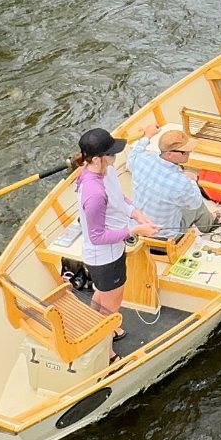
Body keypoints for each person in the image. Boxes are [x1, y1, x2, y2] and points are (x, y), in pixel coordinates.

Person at [70, 126, 157, 333]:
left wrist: (135, 213)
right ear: (97, 158)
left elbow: (118, 198)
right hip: (105, 259)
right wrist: (136, 231)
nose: (115, 157)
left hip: (111, 252)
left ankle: (93, 326)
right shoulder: (94, 193)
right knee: (111, 308)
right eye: (111, 154)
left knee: (102, 293)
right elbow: (97, 237)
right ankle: (106, 344)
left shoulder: (105, 171)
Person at [126, 125, 221, 239]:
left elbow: (136, 151)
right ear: (169, 154)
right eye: (184, 152)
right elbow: (195, 203)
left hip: (139, 225)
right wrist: (192, 180)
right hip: (165, 235)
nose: (189, 152)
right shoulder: (181, 183)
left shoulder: (141, 160)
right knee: (195, 201)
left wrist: (147, 135)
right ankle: (209, 223)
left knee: (179, 198)